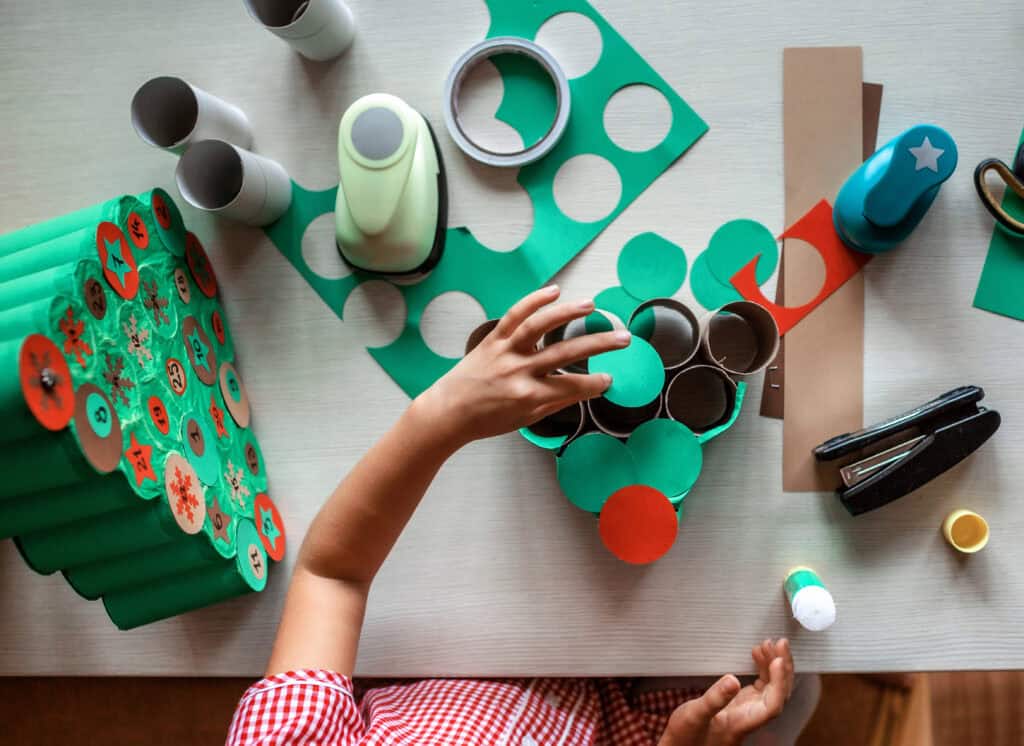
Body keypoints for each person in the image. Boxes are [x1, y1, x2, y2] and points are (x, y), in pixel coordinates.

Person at [227, 286, 812, 745]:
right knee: (799, 683)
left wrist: (441, 416)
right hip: (620, 709)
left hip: (509, 663)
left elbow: (331, 575)